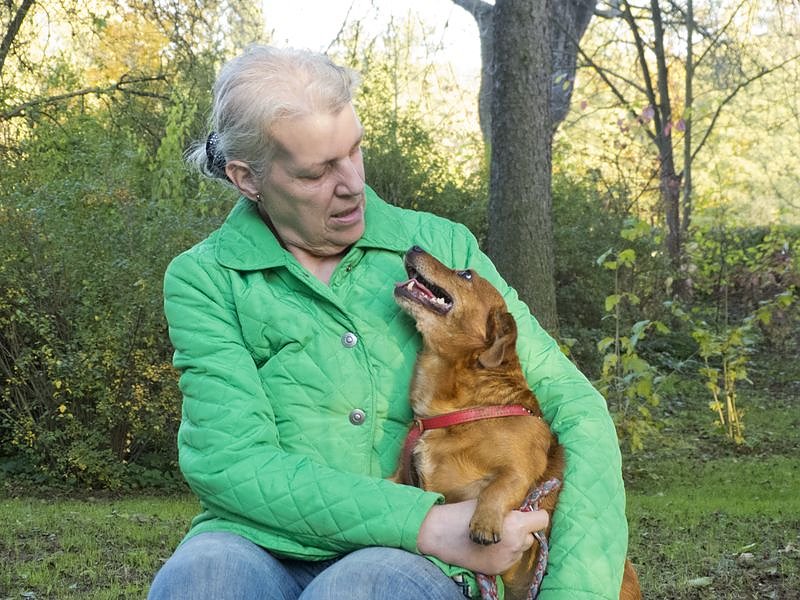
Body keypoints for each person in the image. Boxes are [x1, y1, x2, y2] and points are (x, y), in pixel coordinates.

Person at [148, 45, 628, 600]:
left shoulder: (443, 249)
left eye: (354, 150)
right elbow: (231, 461)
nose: (351, 182)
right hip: (259, 540)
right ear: (246, 178)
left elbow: (576, 407)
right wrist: (427, 521)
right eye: (317, 172)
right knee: (201, 580)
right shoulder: (205, 278)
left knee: (366, 585)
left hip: (412, 563)